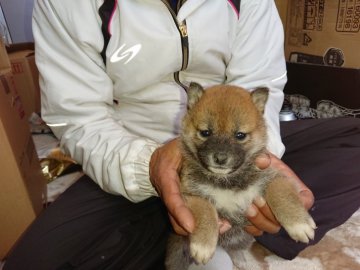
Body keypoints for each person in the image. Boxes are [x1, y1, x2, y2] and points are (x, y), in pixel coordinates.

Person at [4, 0, 360, 269]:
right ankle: (182, 222)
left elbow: (258, 90)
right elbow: (78, 115)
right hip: (131, 153)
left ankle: (232, 227)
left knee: (353, 141)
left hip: (238, 145)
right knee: (36, 263)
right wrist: (148, 167)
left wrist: (262, 160)